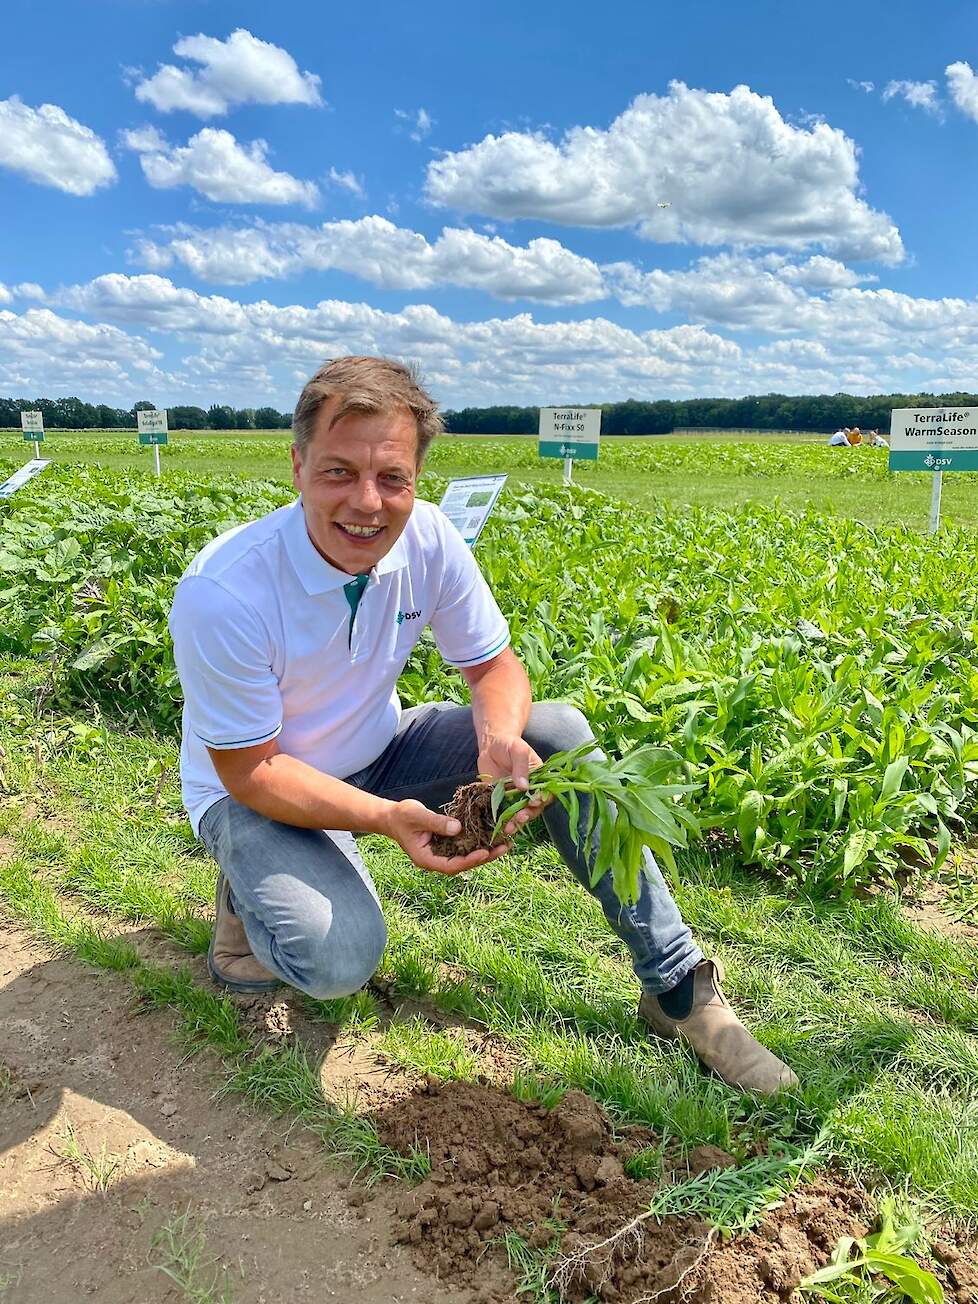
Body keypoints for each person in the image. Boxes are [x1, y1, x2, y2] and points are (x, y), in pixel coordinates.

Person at [168, 355, 797, 1096]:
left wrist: (500, 738)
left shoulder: (427, 539)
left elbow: (495, 668)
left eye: (392, 477)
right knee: (338, 961)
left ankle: (677, 988)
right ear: (298, 465)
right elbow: (253, 770)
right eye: (339, 472)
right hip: (252, 790)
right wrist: (379, 821)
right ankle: (247, 890)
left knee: (558, 734)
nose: (368, 503)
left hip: (376, 749)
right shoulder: (226, 591)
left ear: (417, 477)